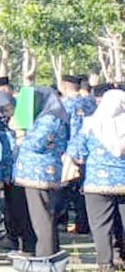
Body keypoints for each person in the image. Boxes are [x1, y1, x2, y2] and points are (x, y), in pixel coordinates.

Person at [67, 89, 125, 271]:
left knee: (101, 225)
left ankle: (105, 262)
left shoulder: (90, 124)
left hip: (96, 184)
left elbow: (77, 152)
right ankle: (121, 256)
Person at [15, 86, 72, 260]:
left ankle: (45, 254)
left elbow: (36, 143)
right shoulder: (53, 116)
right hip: (43, 171)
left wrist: (20, 135)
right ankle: (51, 251)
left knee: (42, 217)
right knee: (45, 215)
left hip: (39, 173)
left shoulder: (50, 119)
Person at [0, 87, 34, 255]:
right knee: (9, 208)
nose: (8, 112)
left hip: (21, 170)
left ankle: (25, 242)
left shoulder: (22, 120)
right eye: (4, 110)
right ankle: (12, 237)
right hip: (4, 170)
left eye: (10, 108)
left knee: (22, 208)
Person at [61, 75, 97, 235]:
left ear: (64, 86)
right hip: (91, 151)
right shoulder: (90, 103)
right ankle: (85, 224)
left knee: (66, 190)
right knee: (85, 190)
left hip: (70, 151)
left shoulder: (65, 105)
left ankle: (64, 222)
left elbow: (67, 131)